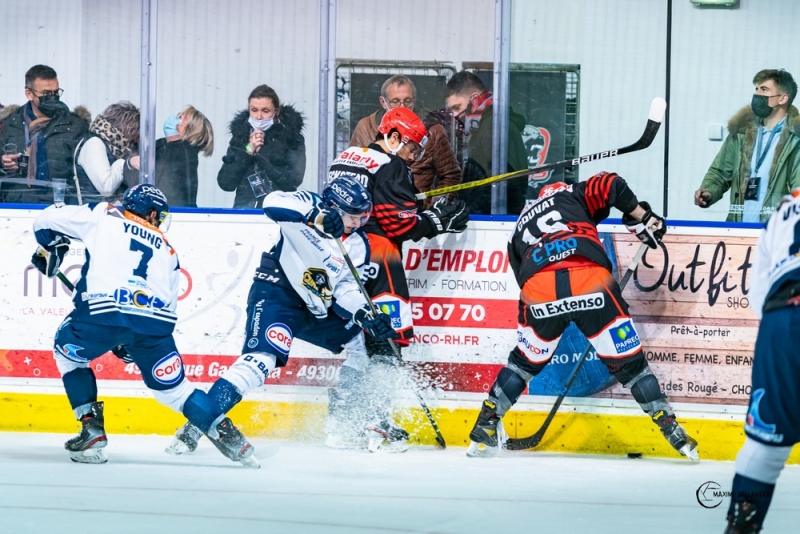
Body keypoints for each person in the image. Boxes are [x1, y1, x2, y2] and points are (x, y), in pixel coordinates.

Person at [466, 171, 699, 461]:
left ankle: (486, 422)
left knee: (523, 363)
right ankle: (672, 430)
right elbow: (612, 184)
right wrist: (641, 216)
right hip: (590, 281)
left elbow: (521, 276)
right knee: (632, 367)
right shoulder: (572, 194)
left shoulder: (519, 225)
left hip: (539, 291)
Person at [165, 176, 399, 454]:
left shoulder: (358, 244)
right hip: (279, 294)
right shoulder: (309, 203)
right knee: (259, 363)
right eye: (353, 217)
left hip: (317, 309)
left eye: (364, 217)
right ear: (334, 207)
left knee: (359, 343)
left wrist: (364, 314)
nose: (359, 223)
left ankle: (341, 421)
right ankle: (197, 423)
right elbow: (271, 203)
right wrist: (318, 216)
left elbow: (346, 286)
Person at [31, 184, 257, 466]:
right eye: (159, 215)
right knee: (178, 392)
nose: (159, 221)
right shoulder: (168, 249)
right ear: (150, 213)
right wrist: (133, 340)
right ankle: (234, 441)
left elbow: (46, 218)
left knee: (68, 356)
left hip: (102, 314)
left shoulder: (104, 214)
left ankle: (91, 429)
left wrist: (52, 246)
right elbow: (169, 303)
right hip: (154, 327)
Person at [326, 107, 469, 450]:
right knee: (388, 342)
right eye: (411, 148)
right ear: (392, 137)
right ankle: (376, 425)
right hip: (378, 256)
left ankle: (341, 422)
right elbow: (397, 223)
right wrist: (437, 221)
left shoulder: (343, 157)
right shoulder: (391, 165)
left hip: (337, 257)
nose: (413, 157)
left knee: (360, 345)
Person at [722, 188, 800, 533]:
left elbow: (760, 293)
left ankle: (741, 524)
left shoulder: (787, 206)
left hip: (783, 319)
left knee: (765, 445)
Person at [695, 69, 800, 223]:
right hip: (738, 228)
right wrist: (708, 191)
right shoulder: (741, 133)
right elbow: (720, 172)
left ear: (783, 98)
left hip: (776, 233)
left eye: (764, 89)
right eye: (756, 89)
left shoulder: (795, 139)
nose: (757, 94)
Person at [349, 74, 462, 206]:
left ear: (414, 101)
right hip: (372, 213)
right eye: (395, 101)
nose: (402, 107)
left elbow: (451, 175)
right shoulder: (366, 127)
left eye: (407, 101)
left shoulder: (433, 130)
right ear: (383, 102)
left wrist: (433, 208)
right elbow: (353, 173)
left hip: (415, 214)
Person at [0, 64, 89, 204]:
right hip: (18, 205)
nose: (52, 97)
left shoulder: (75, 125)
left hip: (61, 206)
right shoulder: (10, 124)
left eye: (56, 92)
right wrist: (3, 161)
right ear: (29, 93)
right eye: (46, 94)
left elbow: (85, 174)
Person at [444, 70, 527, 215]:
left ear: (474, 98)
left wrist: (468, 211)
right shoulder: (488, 123)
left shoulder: (491, 126)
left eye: (457, 107)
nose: (455, 115)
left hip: (494, 215)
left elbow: (498, 182)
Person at [217, 84, 306, 208]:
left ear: (276, 111)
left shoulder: (291, 137)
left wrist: (261, 154)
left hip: (278, 210)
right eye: (254, 110)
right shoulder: (240, 137)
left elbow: (292, 181)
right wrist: (249, 150)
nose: (259, 117)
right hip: (245, 211)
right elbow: (225, 182)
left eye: (265, 111)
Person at [124, 106, 214, 207]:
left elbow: (148, 183)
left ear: (190, 132)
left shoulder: (182, 154)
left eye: (181, 118)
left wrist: (129, 163)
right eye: (178, 115)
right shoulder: (161, 147)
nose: (175, 118)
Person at [71, 101, 140, 205]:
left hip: (103, 214)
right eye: (133, 137)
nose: (133, 143)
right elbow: (106, 187)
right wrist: (126, 163)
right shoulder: (94, 144)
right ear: (126, 130)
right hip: (91, 215)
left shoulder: (113, 146)